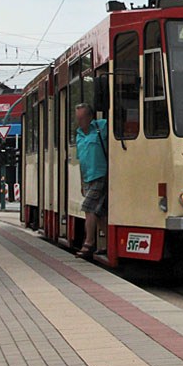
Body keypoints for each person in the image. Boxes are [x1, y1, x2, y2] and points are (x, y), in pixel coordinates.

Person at [74, 103, 108, 260]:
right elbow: (82, 160)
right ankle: (106, 245)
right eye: (77, 118)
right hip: (87, 177)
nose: (79, 121)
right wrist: (82, 182)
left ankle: (89, 243)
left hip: (101, 175)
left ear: (90, 117)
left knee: (88, 207)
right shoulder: (79, 134)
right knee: (100, 212)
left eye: (82, 118)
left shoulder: (102, 127)